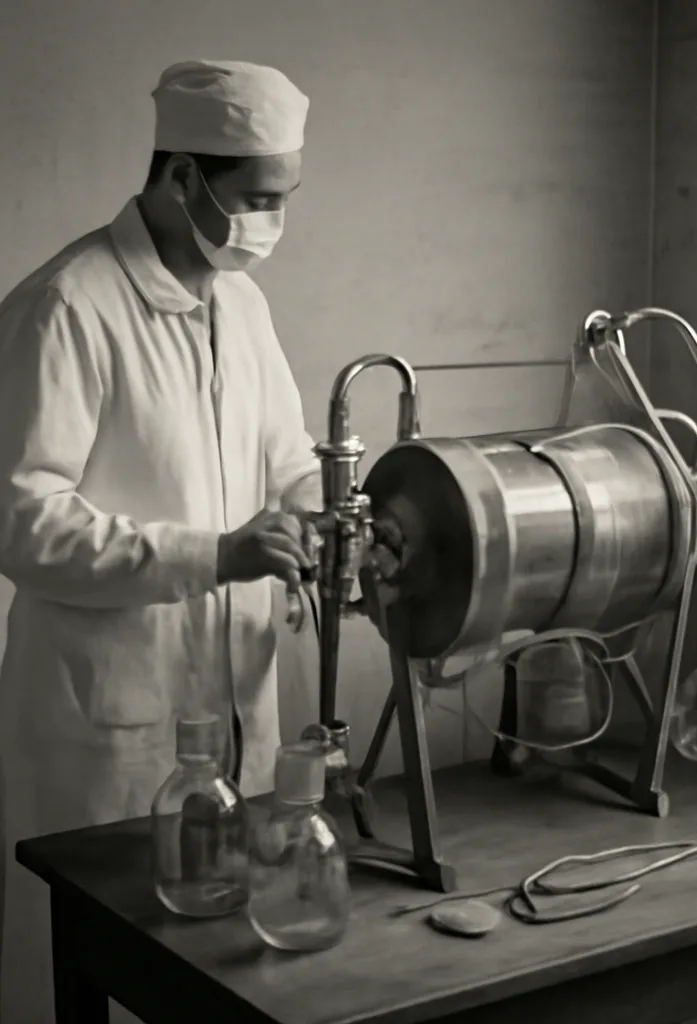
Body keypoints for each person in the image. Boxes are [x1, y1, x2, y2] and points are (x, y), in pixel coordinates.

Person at [0, 61, 323, 1024]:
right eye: (257, 198)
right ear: (182, 177)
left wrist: (322, 513)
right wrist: (212, 556)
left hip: (234, 705)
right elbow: (22, 522)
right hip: (112, 725)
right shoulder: (68, 306)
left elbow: (287, 457)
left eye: (284, 197)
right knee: (98, 968)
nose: (272, 222)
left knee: (225, 970)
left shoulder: (242, 304)